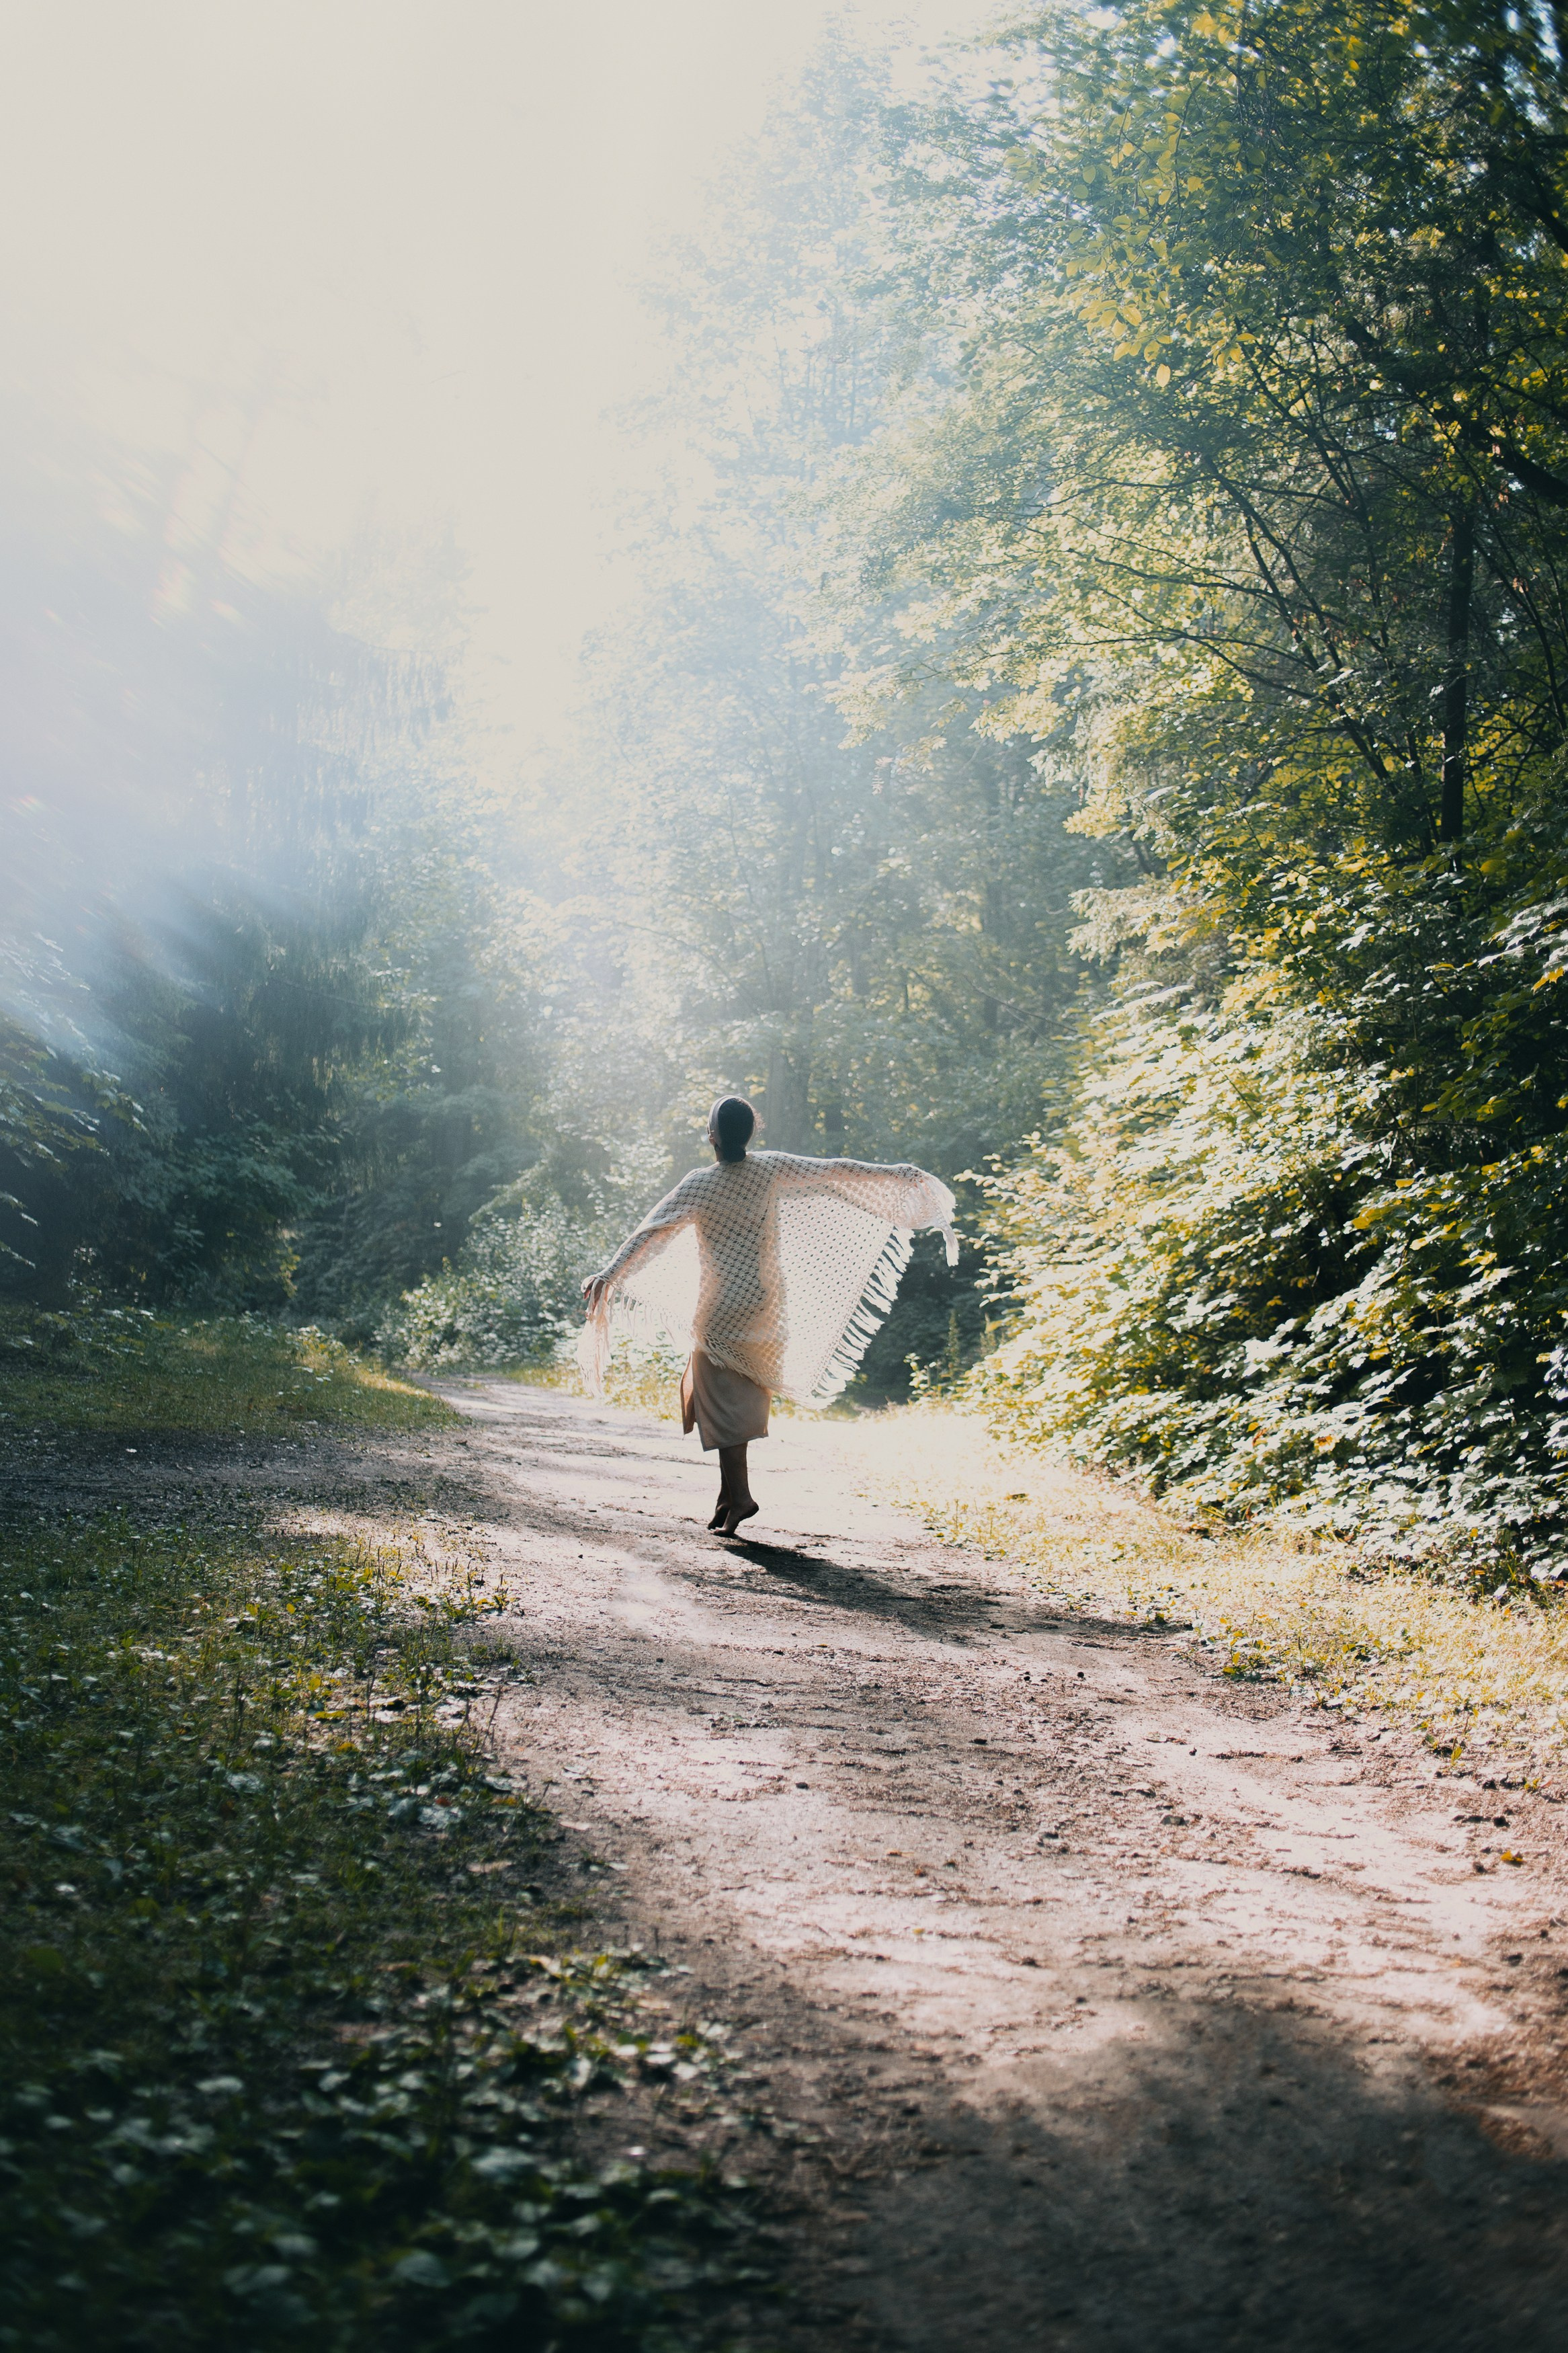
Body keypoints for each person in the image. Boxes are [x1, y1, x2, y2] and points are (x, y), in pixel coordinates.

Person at [580, 1096, 957, 1536]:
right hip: (767, 1303)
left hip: (720, 1309)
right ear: (750, 1133)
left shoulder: (700, 1183)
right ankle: (728, 1496)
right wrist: (897, 1176)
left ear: (712, 1137)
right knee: (732, 1400)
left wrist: (609, 1275)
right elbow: (835, 1169)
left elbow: (650, 1235)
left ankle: (739, 1496)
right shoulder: (771, 1168)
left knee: (720, 1403)